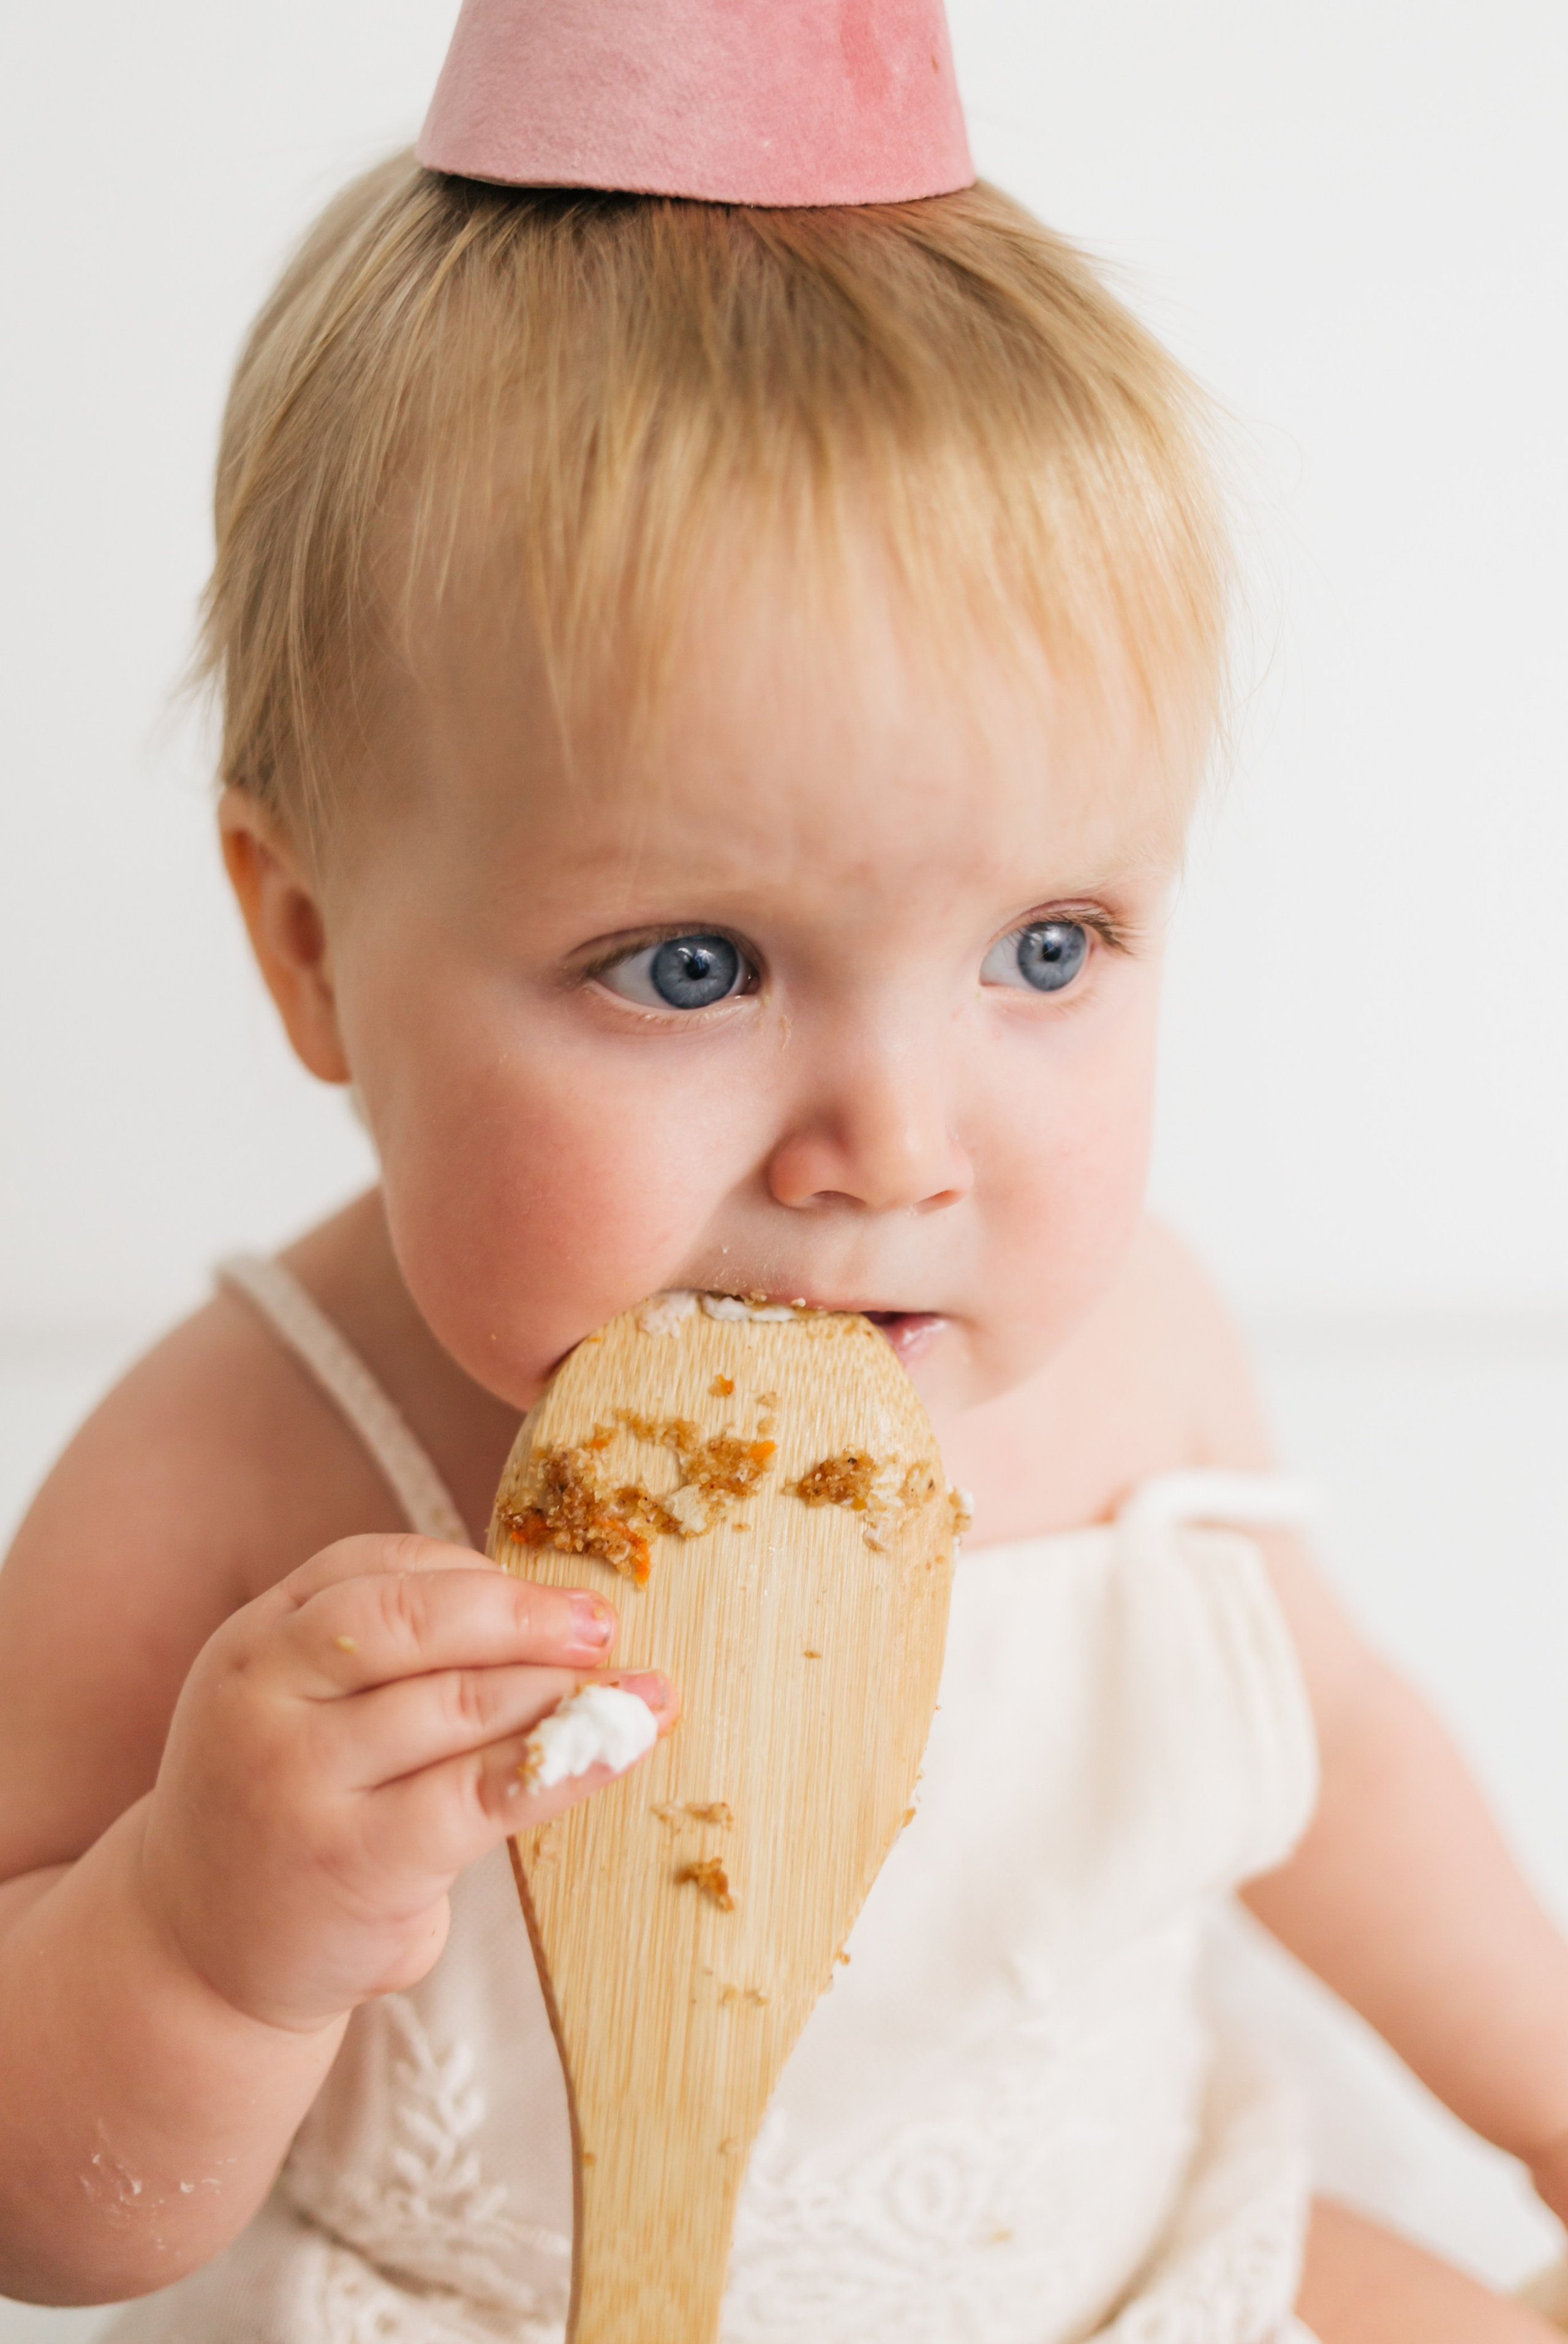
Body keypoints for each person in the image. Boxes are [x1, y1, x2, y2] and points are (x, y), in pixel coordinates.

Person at [1, 4, 1566, 2337]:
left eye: (1048, 945)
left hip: (1117, 2261)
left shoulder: (1136, 1372)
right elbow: (52, 2215)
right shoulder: (232, 1479)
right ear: (312, 950)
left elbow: (1330, 1762)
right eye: (695, 964)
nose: (898, 1149)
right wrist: (204, 1937)